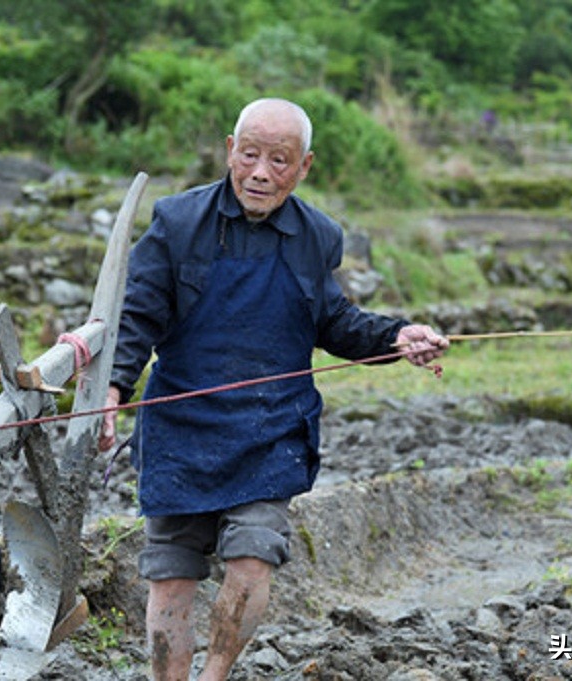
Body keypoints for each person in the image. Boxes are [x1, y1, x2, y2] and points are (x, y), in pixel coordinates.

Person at [98, 97, 447, 680]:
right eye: (251, 154)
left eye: (279, 160)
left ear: (303, 166)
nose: (261, 172)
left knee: (254, 555)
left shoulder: (317, 237)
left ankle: (215, 676)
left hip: (270, 429)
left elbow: (335, 322)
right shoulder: (177, 223)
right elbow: (136, 317)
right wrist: (113, 387)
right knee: (172, 571)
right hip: (182, 426)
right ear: (230, 151)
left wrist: (397, 337)